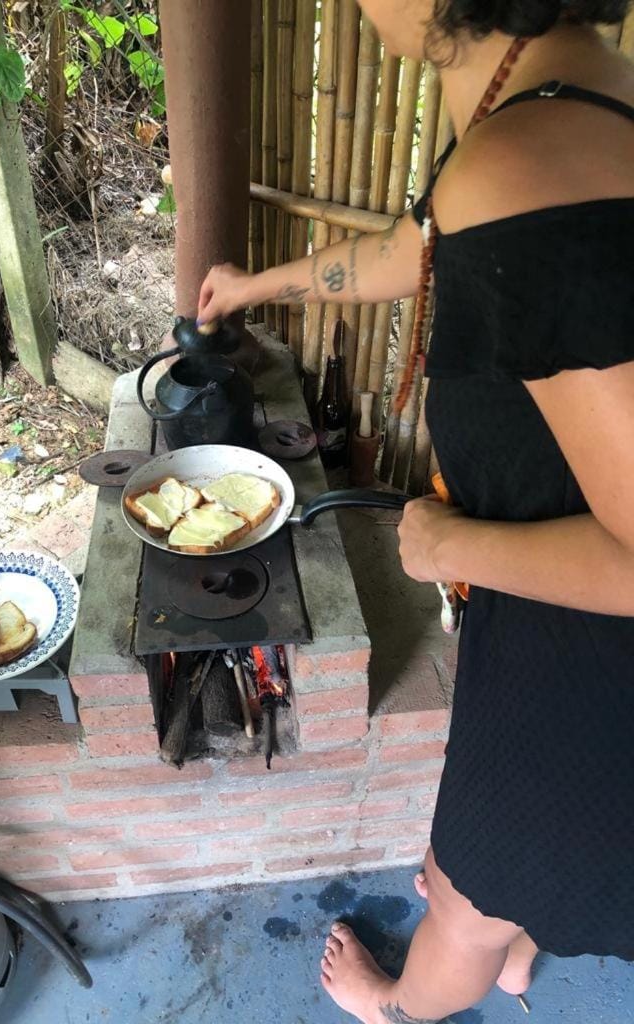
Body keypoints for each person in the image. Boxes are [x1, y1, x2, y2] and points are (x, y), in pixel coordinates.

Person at [198, 2, 634, 1022]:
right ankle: (523, 948)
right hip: (550, 614)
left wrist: (447, 542)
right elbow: (415, 252)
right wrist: (262, 283)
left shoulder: (523, 163)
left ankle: (403, 1004)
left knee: (468, 883)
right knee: (545, 855)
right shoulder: (560, 94)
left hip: (591, 657)